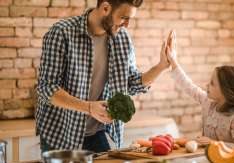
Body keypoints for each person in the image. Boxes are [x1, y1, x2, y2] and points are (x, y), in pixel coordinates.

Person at [36, 0, 171, 153]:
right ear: (105, 8)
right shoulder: (62, 32)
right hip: (60, 133)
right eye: (123, 17)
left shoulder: (122, 38)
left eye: (129, 19)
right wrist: (88, 107)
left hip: (97, 132)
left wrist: (161, 66)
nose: (127, 25)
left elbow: (131, 83)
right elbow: (46, 87)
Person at [165, 31, 234, 155]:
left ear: (226, 90)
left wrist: (213, 143)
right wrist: (173, 60)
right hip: (209, 161)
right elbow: (188, 86)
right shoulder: (209, 104)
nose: (207, 85)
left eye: (212, 83)